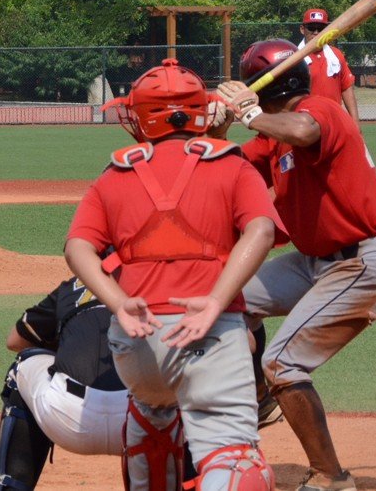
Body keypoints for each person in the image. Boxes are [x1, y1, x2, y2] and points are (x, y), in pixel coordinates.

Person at [63, 59, 281, 491]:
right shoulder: (231, 165)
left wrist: (119, 302)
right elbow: (262, 228)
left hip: (138, 344)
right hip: (209, 335)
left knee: (154, 428)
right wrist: (217, 301)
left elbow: (76, 247)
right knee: (237, 464)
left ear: (142, 117)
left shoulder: (114, 174)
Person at [211, 39, 376, 491]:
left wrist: (248, 113)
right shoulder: (270, 140)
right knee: (229, 300)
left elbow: (303, 131)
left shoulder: (323, 109)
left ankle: (331, 477)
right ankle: (262, 400)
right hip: (314, 262)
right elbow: (222, 170)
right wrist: (221, 129)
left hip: (367, 262)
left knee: (283, 363)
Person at [0, 275, 130, 490]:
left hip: (68, 418)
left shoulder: (76, 285)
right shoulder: (159, 282)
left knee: (26, 363)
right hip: (138, 425)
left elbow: (16, 341)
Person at [299, 9, 360, 128]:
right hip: (306, 124)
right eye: (311, 28)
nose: (316, 32)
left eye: (321, 28)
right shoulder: (294, 58)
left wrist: (355, 123)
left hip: (334, 122)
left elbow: (346, 88)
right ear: (302, 29)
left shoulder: (336, 55)